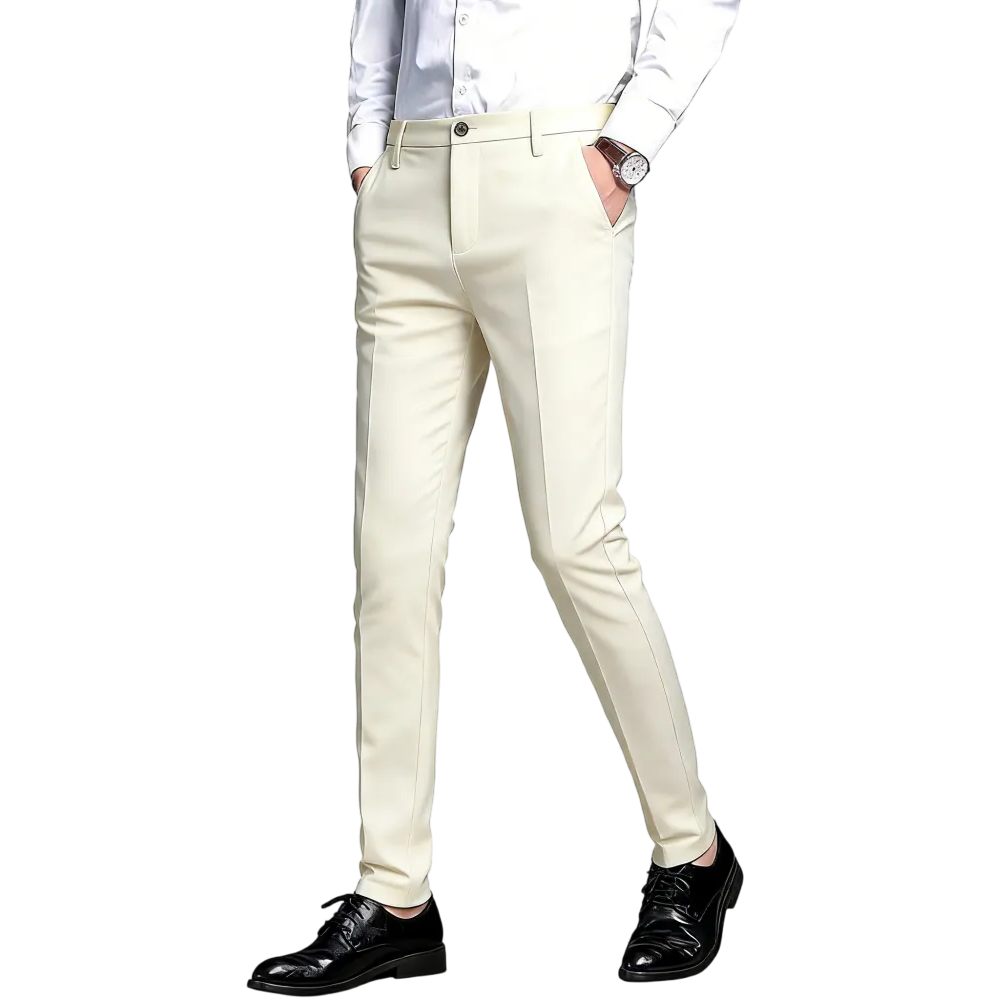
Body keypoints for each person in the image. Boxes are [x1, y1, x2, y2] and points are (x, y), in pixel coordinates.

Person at [248, 1, 743, 992]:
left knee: (575, 538)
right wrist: (366, 147)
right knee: (388, 555)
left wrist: (628, 145)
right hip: (409, 178)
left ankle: (690, 848)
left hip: (557, 172)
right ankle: (392, 889)